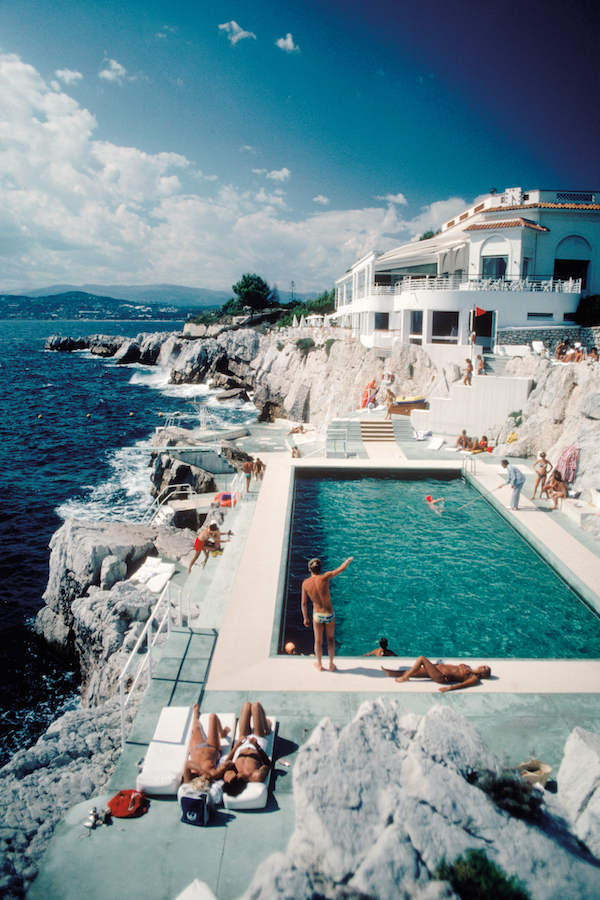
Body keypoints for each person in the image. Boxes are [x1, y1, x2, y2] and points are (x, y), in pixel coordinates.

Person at [301, 555, 353, 672]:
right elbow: (341, 569)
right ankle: (330, 664)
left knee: (318, 641)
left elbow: (304, 603)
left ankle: (319, 665)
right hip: (329, 614)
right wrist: (347, 560)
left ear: (310, 570)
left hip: (317, 615)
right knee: (330, 639)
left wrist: (305, 618)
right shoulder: (326, 577)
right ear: (320, 568)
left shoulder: (305, 583)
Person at [220, 701, 272, 797]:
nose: (230, 776)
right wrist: (257, 746)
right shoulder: (256, 776)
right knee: (256, 706)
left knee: (246, 705)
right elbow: (268, 764)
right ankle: (267, 727)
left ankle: (264, 727)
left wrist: (237, 745)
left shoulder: (230, 776)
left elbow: (225, 763)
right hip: (257, 744)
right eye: (233, 777)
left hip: (242, 745)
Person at [381, 657, 491, 692]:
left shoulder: (474, 678)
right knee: (415, 670)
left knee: (421, 659)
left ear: (484, 674)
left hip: (441, 676)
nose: (483, 666)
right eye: (485, 665)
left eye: (485, 668)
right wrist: (437, 665)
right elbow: (452, 666)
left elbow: (464, 685)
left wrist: (449, 688)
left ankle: (405, 678)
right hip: (438, 669)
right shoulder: (469, 668)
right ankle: (391, 673)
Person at [183, 705, 231, 783]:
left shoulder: (191, 779)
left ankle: (195, 714)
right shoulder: (212, 775)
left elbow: (187, 763)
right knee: (213, 716)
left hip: (197, 747)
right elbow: (224, 766)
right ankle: (222, 733)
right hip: (213, 747)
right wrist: (224, 767)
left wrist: (202, 772)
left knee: (196, 728)